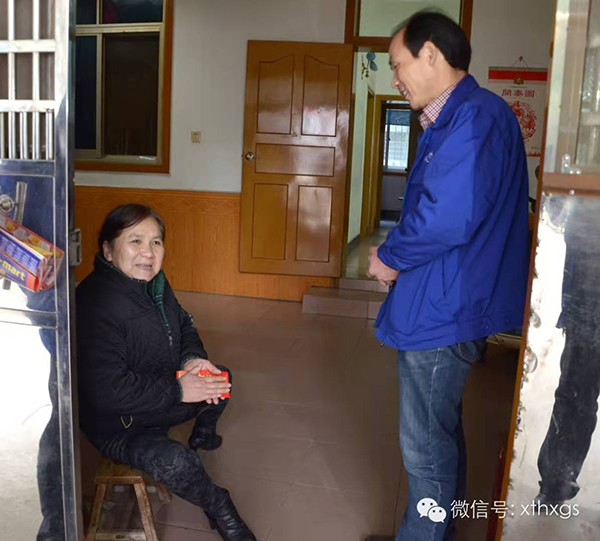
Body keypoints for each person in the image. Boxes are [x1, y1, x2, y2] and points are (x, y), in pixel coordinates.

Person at [365, 11, 529, 541]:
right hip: (444, 299)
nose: (395, 77)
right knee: (439, 432)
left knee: (425, 448)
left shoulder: (475, 119)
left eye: (398, 64)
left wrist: (389, 257)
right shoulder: (458, 119)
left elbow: (445, 217)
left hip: (445, 306)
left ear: (431, 54)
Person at [76, 203, 256, 541]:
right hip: (119, 425)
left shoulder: (155, 283)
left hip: (162, 392)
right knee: (176, 462)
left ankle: (202, 433)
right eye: (135, 241)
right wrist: (180, 390)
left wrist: (192, 360)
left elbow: (184, 325)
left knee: (221, 378)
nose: (148, 252)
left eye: (156, 242)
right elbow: (105, 391)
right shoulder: (93, 302)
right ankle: (220, 506)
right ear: (108, 251)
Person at [536, 197, 600, 505]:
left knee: (576, 395)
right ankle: (556, 483)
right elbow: (558, 210)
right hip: (587, 296)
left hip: (586, 294)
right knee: (575, 394)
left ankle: (556, 482)